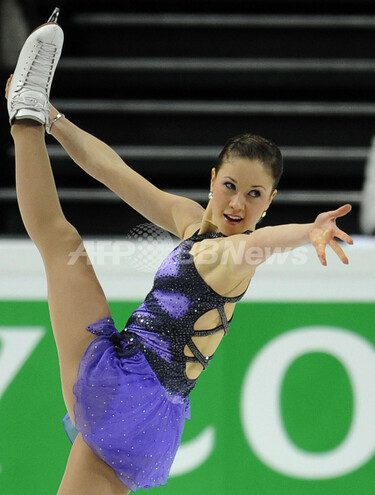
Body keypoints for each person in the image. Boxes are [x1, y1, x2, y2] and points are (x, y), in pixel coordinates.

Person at [5, 18, 353, 495]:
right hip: (134, 386)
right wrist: (57, 119)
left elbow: (264, 242)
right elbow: (115, 171)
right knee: (61, 243)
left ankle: (23, 120)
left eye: (254, 195)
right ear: (213, 179)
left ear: (268, 202)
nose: (237, 204)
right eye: (230, 186)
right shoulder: (193, 223)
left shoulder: (233, 256)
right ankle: (31, 109)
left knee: (60, 243)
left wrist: (308, 230)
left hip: (131, 393)